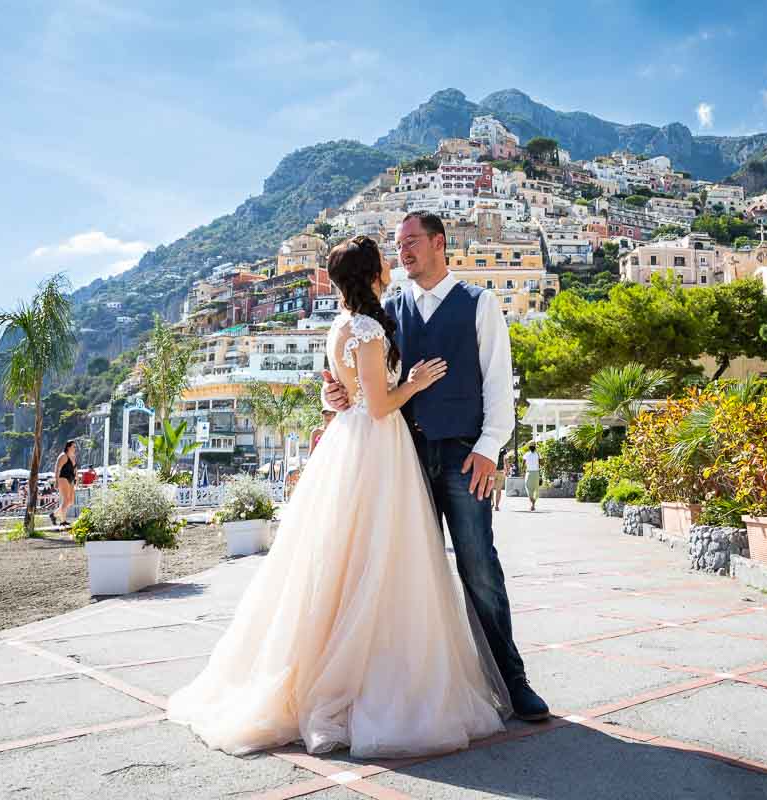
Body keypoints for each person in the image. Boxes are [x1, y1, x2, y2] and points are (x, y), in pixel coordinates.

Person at [168, 235, 509, 758]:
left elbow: (350, 385)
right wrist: (412, 383)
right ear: (372, 272)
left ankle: (344, 671)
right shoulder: (372, 323)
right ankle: (373, 681)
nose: (397, 259)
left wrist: (344, 392)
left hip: (368, 449)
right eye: (388, 255)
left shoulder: (349, 323)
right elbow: (377, 404)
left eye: (409, 243)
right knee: (384, 563)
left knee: (350, 562)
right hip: (382, 446)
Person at [325, 212, 548, 722]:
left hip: (462, 456)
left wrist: (490, 447)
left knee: (479, 568)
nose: (402, 251)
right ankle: (410, 688)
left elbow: (498, 381)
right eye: (397, 244)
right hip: (400, 460)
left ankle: (512, 681)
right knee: (402, 574)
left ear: (439, 243)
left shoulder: (480, 303)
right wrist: (333, 394)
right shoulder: (387, 310)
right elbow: (357, 377)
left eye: (412, 241)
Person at [51, 441, 77, 527]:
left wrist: (77, 479)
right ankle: (63, 521)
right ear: (68, 447)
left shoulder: (73, 457)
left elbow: (75, 469)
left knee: (71, 501)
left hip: (71, 479)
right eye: (73, 446)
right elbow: (57, 469)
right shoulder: (63, 456)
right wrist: (56, 481)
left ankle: (54, 514)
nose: (75, 448)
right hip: (63, 478)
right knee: (66, 500)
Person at [523, 442, 541, 512]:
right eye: (532, 446)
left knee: (532, 487)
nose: (532, 447)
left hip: (533, 472)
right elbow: (523, 463)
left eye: (532, 446)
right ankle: (532, 502)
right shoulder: (533, 454)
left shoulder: (536, 454)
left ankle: (532, 503)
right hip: (532, 472)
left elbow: (523, 464)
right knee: (531, 487)